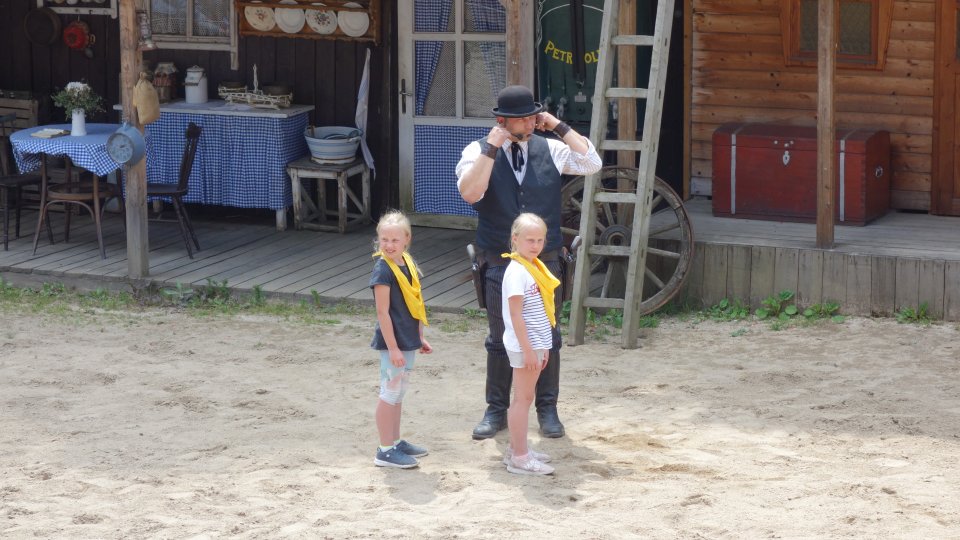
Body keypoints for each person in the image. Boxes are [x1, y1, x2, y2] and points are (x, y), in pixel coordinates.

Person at [456, 85, 602, 440]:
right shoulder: (477, 150)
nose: (529, 122)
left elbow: (591, 163)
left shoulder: (551, 147)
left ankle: (547, 410)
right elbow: (470, 193)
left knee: (547, 335)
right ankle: (496, 411)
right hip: (498, 259)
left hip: (545, 261)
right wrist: (491, 149)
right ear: (502, 121)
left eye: (532, 116)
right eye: (521, 118)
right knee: (498, 337)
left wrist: (558, 126)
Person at [369, 210, 433, 468]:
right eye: (384, 239)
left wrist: (419, 336)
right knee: (389, 392)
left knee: (399, 392)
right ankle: (385, 450)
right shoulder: (382, 270)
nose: (389, 245)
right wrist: (393, 348)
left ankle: (395, 441)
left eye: (395, 240)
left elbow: (415, 302)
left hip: (407, 338)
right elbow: (382, 312)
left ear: (407, 239)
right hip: (392, 342)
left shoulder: (407, 262)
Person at [501, 213, 559, 475]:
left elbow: (539, 311)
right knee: (522, 400)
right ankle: (520, 457)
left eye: (540, 240)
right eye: (529, 240)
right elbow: (516, 315)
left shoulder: (532, 266)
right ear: (515, 239)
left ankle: (516, 449)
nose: (535, 245)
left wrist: (542, 346)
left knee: (524, 397)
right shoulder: (517, 271)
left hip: (535, 342)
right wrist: (528, 350)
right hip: (526, 345)